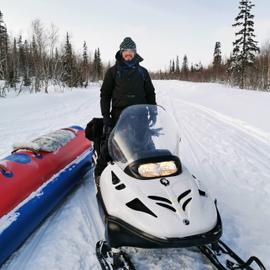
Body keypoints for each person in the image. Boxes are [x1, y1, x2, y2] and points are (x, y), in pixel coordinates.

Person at [94, 37, 157, 183]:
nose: (128, 54)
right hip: (119, 116)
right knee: (110, 146)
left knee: (147, 145)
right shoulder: (113, 72)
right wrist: (106, 117)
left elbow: (150, 93)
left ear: (135, 53)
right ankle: (99, 173)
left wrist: (153, 111)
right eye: (126, 51)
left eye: (131, 51)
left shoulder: (142, 72)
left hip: (140, 115)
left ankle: (152, 174)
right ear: (121, 52)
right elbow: (105, 95)